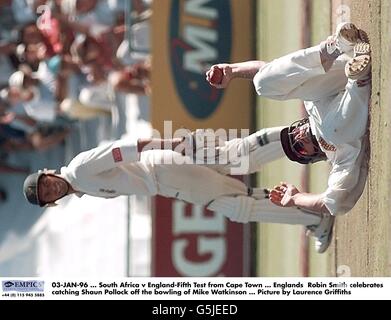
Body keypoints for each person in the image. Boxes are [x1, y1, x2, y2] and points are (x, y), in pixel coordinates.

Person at [23, 135, 333, 253]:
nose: (49, 188)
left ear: (49, 172)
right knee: (235, 159)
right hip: (165, 174)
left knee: (239, 206)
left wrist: (169, 144)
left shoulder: (78, 171)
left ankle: (314, 215)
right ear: (51, 203)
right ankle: (307, 135)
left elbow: (121, 150)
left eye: (45, 182)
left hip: (163, 173)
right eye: (45, 193)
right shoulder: (80, 186)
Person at [206, 23, 371, 225]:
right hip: (352, 96)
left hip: (338, 75)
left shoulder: (310, 105)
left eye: (292, 137)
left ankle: (334, 47)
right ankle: (359, 79)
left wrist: (232, 70)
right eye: (299, 147)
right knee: (332, 132)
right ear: (313, 155)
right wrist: (295, 199)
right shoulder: (338, 156)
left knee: (262, 84)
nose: (298, 138)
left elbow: (269, 71)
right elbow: (333, 204)